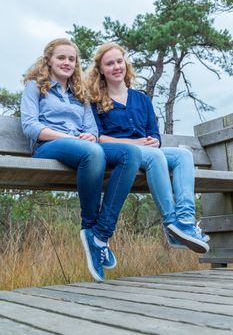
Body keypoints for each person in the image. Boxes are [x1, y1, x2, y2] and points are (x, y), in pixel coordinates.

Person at [20, 38, 142, 282]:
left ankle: (100, 235)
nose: (67, 62)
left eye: (72, 59)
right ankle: (90, 225)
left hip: (83, 149)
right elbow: (31, 127)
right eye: (61, 58)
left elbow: (92, 130)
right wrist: (71, 137)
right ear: (49, 60)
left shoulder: (80, 93)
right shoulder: (35, 87)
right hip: (48, 146)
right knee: (93, 152)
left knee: (131, 154)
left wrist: (89, 135)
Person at [87, 42, 210, 254]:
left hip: (149, 152)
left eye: (119, 61)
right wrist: (137, 143)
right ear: (100, 69)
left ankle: (186, 222)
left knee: (183, 155)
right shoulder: (96, 100)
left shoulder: (141, 98)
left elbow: (153, 132)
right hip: (121, 155)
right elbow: (98, 138)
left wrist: (154, 140)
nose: (116, 66)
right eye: (109, 63)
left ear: (125, 64)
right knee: (154, 156)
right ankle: (172, 225)